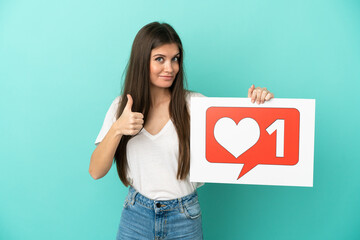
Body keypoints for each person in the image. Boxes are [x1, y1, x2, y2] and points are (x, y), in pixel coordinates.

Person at [89, 22, 274, 240]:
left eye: (175, 59)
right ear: (142, 61)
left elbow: (240, 135)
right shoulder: (122, 107)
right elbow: (96, 171)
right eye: (160, 59)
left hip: (184, 217)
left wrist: (260, 104)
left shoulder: (196, 105)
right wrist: (117, 128)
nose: (170, 68)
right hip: (136, 214)